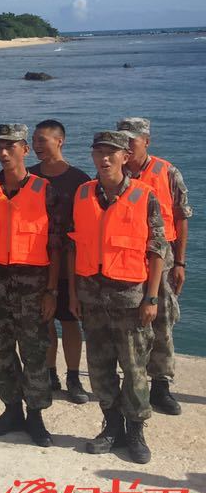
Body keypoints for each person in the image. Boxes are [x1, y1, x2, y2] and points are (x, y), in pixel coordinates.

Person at [70, 130, 169, 465]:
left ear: (125, 157)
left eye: (111, 152)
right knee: (100, 367)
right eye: (99, 152)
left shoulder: (145, 195)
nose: (104, 158)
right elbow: (74, 245)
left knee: (134, 367)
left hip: (130, 298)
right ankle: (112, 427)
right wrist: (74, 294)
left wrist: (151, 298)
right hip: (91, 296)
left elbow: (157, 250)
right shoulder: (83, 193)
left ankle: (135, 432)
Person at [0, 124, 62, 448]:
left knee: (34, 352)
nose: (3, 152)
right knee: (0, 351)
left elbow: (56, 246)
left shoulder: (45, 190)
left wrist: (51, 291)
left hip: (32, 288)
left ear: (25, 149)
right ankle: (11, 411)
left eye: (10, 146)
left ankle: (35, 417)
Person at [117, 117, 192, 417]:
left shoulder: (167, 172)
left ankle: (161, 385)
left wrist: (180, 262)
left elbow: (181, 217)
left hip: (163, 256)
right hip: (126, 256)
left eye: (132, 140)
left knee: (162, 319)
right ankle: (132, 381)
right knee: (128, 321)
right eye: (122, 140)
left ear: (146, 141)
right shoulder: (114, 172)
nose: (126, 146)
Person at [28, 119, 92, 404]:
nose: (37, 146)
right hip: (35, 261)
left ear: (59, 141)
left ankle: (74, 377)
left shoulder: (79, 180)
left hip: (69, 263)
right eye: (34, 140)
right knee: (44, 321)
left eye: (42, 140)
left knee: (69, 320)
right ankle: (50, 372)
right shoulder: (29, 176)